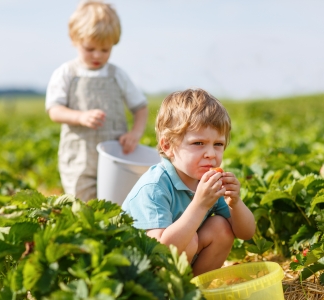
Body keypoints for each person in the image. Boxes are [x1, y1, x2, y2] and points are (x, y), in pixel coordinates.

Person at [122, 88, 255, 276]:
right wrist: (200, 204)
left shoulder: (206, 182)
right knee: (189, 238)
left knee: (222, 228)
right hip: (140, 272)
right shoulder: (154, 187)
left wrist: (235, 202)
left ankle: (194, 290)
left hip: (176, 265)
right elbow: (161, 249)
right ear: (167, 146)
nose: (210, 153)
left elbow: (246, 233)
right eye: (198, 143)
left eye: (218, 144)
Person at [45, 1, 148, 202]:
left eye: (105, 49)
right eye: (90, 48)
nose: (97, 55)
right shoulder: (67, 73)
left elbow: (140, 108)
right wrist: (80, 116)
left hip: (115, 155)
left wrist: (135, 133)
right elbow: (54, 110)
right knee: (82, 204)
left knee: (114, 204)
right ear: (74, 39)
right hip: (79, 158)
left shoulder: (117, 75)